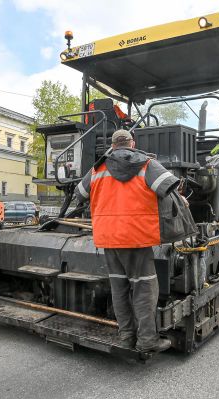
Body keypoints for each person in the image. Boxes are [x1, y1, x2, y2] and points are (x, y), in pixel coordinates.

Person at [75, 129, 179, 352]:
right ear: (132, 144)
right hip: (137, 239)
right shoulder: (146, 164)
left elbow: (80, 194)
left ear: (112, 146)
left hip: (110, 239)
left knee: (119, 289)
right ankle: (147, 340)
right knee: (144, 291)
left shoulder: (97, 169)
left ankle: (126, 337)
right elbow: (170, 185)